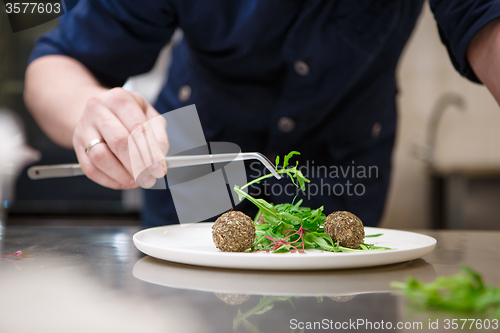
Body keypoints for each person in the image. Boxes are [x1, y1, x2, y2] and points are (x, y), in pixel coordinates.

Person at [24, 0, 500, 228]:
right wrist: (95, 118)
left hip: (339, 178)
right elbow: (58, 64)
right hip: (196, 166)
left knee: (330, 309)